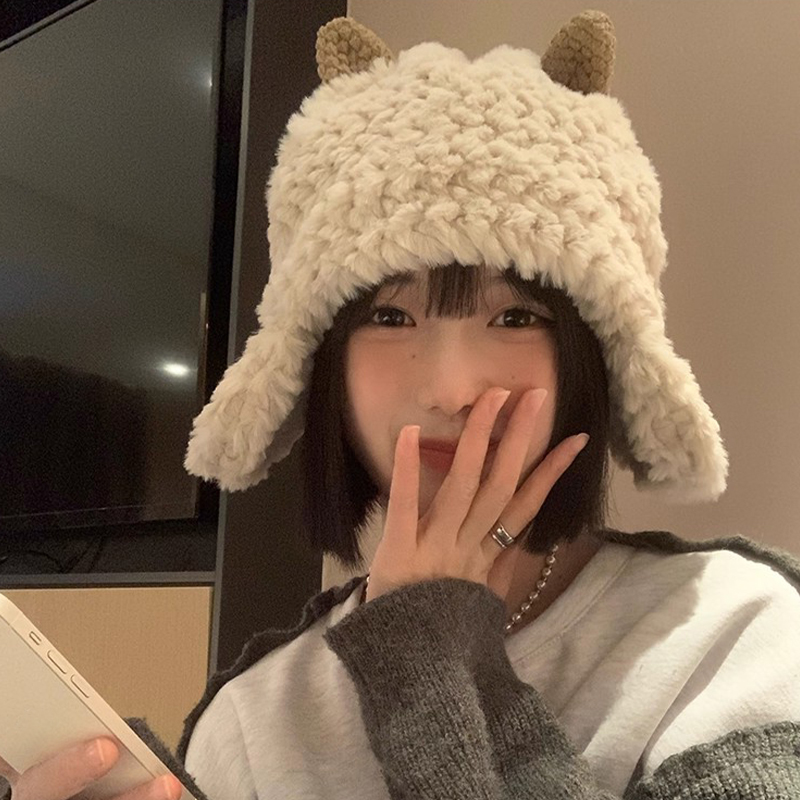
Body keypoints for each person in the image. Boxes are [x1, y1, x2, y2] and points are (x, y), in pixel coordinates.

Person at [3, 10, 799, 800]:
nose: (450, 389)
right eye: (389, 316)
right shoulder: (253, 718)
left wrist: (426, 653)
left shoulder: (732, 638)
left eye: (515, 318)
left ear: (595, 354)